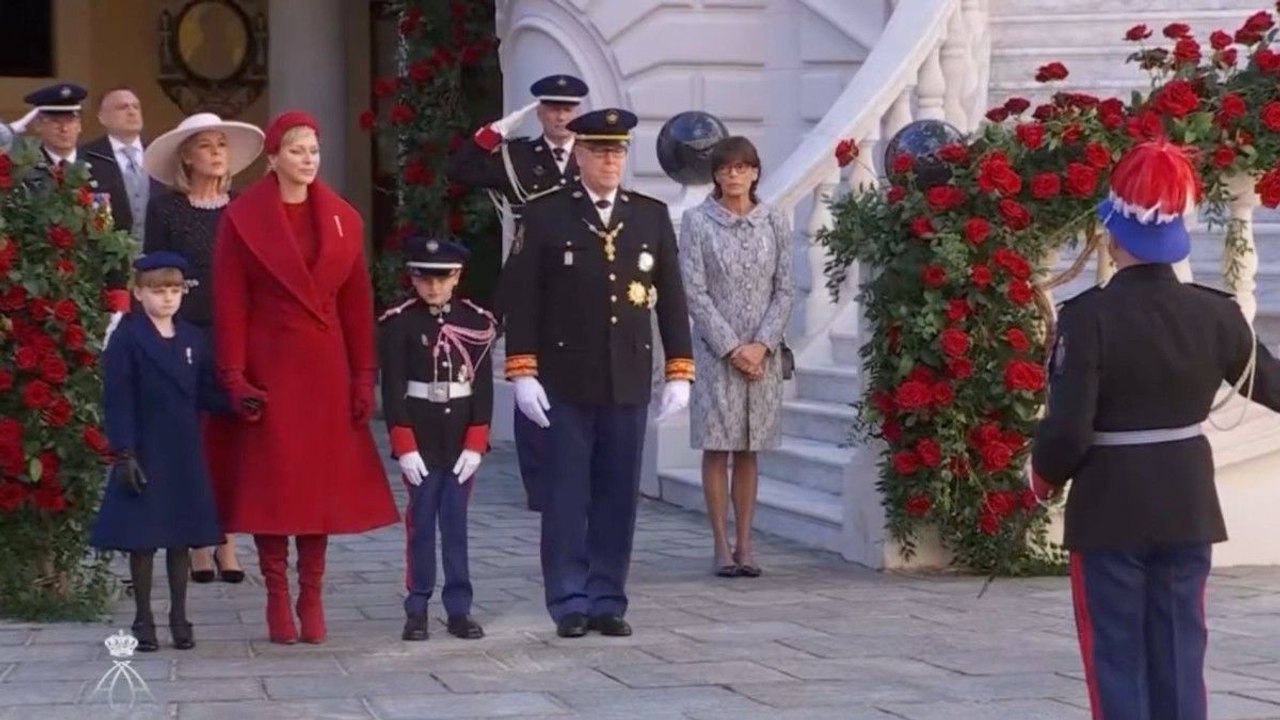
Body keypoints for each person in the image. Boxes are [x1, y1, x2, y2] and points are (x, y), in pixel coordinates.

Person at [1030, 140, 1280, 720]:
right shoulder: (1217, 313)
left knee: (1117, 657)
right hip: (1187, 504)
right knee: (1179, 652)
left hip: (1110, 508)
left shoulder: (1086, 316)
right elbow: (1270, 385)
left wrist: (1040, 481)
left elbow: (1067, 432)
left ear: (1113, 237)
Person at [501, 108, 695, 638]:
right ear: (580, 155)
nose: (610, 160)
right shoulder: (544, 214)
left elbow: (672, 300)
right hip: (564, 379)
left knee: (616, 494)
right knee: (566, 495)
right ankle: (568, 599)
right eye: (600, 150)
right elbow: (522, 299)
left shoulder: (649, 215)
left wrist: (679, 369)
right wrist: (522, 371)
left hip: (627, 376)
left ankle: (608, 596)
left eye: (618, 151)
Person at [210, 111, 398, 645]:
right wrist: (233, 376)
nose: (308, 159)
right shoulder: (242, 218)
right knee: (276, 487)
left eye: (313, 149)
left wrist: (364, 376)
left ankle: (310, 595)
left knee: (317, 489)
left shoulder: (343, 218)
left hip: (325, 369)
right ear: (273, 157)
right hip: (270, 365)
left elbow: (358, 304)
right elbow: (230, 302)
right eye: (297, 150)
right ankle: (275, 593)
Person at [90, 251, 255, 652]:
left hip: (183, 449)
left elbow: (204, 392)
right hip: (146, 448)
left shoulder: (192, 339)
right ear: (139, 292)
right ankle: (143, 618)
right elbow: (118, 398)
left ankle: (179, 615)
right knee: (143, 539)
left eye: (174, 290)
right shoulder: (127, 338)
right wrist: (123, 450)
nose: (167, 298)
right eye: (157, 290)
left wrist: (236, 402)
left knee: (182, 537)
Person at [446, 73, 590, 514]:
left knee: (581, 381)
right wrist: (497, 131)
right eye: (552, 108)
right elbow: (461, 169)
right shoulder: (518, 157)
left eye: (568, 109)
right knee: (530, 378)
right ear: (541, 112)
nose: (560, 116)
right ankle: (539, 485)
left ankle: (576, 475)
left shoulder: (593, 153)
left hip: (583, 282)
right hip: (531, 278)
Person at [142, 112, 265, 585]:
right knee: (188, 437)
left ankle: (228, 540)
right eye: (206, 145)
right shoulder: (166, 210)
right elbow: (152, 273)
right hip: (183, 333)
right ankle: (195, 541)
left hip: (236, 334)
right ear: (186, 157)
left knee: (231, 438)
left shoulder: (246, 207)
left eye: (221, 144)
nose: (217, 151)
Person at [678, 136, 794, 578]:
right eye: (725, 169)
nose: (733, 176)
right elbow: (695, 291)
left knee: (750, 448)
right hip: (716, 352)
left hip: (762, 355)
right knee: (717, 445)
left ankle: (746, 543)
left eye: (742, 168)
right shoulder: (698, 222)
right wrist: (731, 347)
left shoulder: (774, 221)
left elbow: (784, 289)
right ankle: (720, 545)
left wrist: (761, 344)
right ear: (715, 175)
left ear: (755, 173)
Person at [379, 236, 497, 642]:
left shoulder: (476, 320)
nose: (433, 287)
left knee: (456, 523)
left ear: (457, 276)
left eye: (442, 278)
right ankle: (417, 607)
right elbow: (392, 388)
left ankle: (459, 608)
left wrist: (477, 440)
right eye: (424, 278)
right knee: (421, 523)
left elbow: (482, 386)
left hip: (459, 435)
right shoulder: (399, 322)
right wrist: (403, 444)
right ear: (412, 279)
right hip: (421, 435)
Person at [11, 82, 131, 335]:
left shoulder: (103, 169)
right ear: (38, 125)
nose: (64, 127)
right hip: (42, 292)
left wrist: (117, 293)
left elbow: (117, 231)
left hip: (92, 287)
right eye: (54, 120)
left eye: (71, 118)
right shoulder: (24, 172)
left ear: (80, 124)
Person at [81, 87, 162, 241]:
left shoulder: (158, 153)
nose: (132, 112)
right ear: (102, 118)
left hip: (157, 255)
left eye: (136, 107)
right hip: (109, 256)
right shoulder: (87, 157)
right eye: (122, 107)